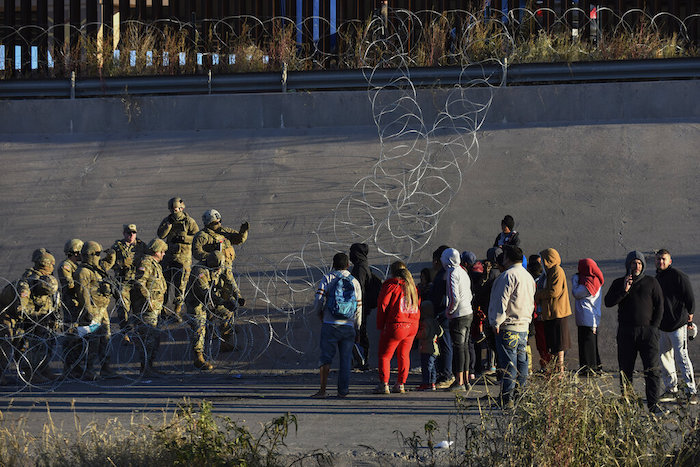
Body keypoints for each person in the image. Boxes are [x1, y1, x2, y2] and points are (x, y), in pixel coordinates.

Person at [604, 251, 664, 413]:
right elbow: (608, 302)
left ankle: (654, 405)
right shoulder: (619, 283)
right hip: (626, 333)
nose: (636, 266)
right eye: (633, 263)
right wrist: (624, 290)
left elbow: (659, 306)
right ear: (628, 265)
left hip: (648, 334)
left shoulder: (651, 282)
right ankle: (627, 405)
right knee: (625, 371)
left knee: (652, 371)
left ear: (643, 265)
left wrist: (654, 328)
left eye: (639, 263)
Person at [488, 246, 536, 408]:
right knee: (522, 362)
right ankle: (520, 394)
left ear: (507, 258)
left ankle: (506, 397)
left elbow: (501, 301)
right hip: (523, 325)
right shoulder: (528, 277)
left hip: (508, 326)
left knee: (509, 364)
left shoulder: (507, 276)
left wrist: (496, 321)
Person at [311, 253, 362, 399]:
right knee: (346, 360)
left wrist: (319, 313)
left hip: (330, 324)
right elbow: (359, 307)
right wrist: (357, 327)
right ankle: (343, 391)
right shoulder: (355, 282)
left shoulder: (328, 278)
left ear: (333, 264)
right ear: (348, 265)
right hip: (348, 326)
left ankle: (322, 390)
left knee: (326, 358)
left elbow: (319, 299)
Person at [185, 251, 245, 371]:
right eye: (216, 268)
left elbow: (229, 281)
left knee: (227, 313)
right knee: (199, 326)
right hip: (197, 302)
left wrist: (238, 295)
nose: (218, 270)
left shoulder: (221, 266)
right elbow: (206, 294)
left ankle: (225, 342)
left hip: (215, 300)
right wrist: (224, 302)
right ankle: (198, 357)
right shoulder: (200, 272)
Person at [655, 249, 697, 404]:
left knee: (682, 357)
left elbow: (690, 297)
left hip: (678, 325)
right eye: (658, 259)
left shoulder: (679, 276)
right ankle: (671, 389)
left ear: (670, 261)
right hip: (661, 326)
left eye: (664, 259)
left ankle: (691, 391)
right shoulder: (656, 278)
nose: (661, 262)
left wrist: (690, 315)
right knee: (665, 358)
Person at [375, 261, 420, 394]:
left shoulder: (392, 285)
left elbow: (383, 305)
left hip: (396, 324)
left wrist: (381, 324)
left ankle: (384, 384)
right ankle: (400, 384)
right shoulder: (412, 287)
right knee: (404, 355)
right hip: (412, 325)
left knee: (385, 355)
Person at [16, 251, 61, 383]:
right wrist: (26, 313)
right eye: (51, 264)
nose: (53, 266)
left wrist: (54, 316)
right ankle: (29, 372)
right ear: (45, 264)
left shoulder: (46, 277)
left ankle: (43, 368)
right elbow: (23, 299)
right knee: (32, 346)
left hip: (45, 316)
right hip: (33, 318)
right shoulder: (32, 279)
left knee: (46, 344)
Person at [74, 241, 116, 380]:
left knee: (106, 338)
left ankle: (106, 368)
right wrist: (88, 311)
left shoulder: (96, 268)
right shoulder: (83, 272)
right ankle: (89, 371)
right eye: (97, 254)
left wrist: (111, 254)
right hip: (92, 311)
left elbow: (108, 263)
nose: (99, 256)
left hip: (102, 310)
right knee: (93, 341)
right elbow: (83, 293)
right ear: (90, 254)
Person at [157, 197, 199, 320]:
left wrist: (184, 238)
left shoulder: (189, 222)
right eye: (173, 209)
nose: (175, 212)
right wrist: (168, 227)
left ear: (182, 208)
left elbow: (197, 237)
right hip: (168, 257)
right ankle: (163, 310)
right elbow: (160, 235)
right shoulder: (167, 220)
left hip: (183, 258)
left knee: (180, 285)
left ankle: (177, 310)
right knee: (164, 284)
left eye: (177, 209)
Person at [131, 239, 169, 377]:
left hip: (155, 308)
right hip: (147, 309)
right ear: (156, 251)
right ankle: (145, 368)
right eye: (162, 252)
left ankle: (150, 367)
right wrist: (149, 301)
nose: (164, 254)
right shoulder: (146, 263)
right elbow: (139, 283)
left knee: (154, 339)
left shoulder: (155, 264)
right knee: (148, 339)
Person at [106, 224, 147, 343]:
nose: (131, 235)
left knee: (138, 307)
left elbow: (148, 259)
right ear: (124, 233)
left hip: (137, 282)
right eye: (128, 233)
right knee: (123, 309)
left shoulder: (141, 246)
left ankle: (139, 332)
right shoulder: (117, 247)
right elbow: (110, 262)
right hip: (123, 282)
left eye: (133, 233)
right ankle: (125, 333)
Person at [535, 248, 572, 374]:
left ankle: (560, 370)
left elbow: (554, 291)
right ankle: (556, 370)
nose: (541, 263)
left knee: (559, 344)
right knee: (553, 345)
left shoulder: (557, 271)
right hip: (550, 314)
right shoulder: (548, 273)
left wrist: (538, 295)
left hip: (558, 313)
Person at [441, 248, 473, 392]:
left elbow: (454, 297)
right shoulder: (463, 272)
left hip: (458, 315)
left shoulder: (452, 273)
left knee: (458, 347)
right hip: (468, 312)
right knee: (465, 347)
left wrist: (449, 311)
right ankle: (466, 380)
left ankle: (459, 380)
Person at [572, 258, 604, 376]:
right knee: (591, 344)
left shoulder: (589, 283)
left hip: (587, 317)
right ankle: (595, 366)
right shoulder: (594, 280)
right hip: (590, 317)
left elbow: (576, 293)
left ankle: (589, 369)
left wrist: (575, 281)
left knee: (587, 345)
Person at [58, 238, 84, 377]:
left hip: (78, 305)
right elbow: (70, 285)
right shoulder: (66, 266)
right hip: (71, 307)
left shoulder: (78, 266)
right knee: (71, 337)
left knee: (79, 337)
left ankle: (77, 365)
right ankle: (69, 367)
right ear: (75, 252)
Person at [430, 245, 454, 389]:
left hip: (442, 314)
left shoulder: (443, 275)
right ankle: (444, 373)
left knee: (445, 344)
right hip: (444, 313)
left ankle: (446, 375)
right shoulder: (451, 273)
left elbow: (439, 297)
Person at [349, 243, 375, 370]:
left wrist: (357, 306)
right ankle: (361, 360)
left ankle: (362, 360)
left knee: (360, 332)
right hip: (363, 306)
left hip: (360, 306)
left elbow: (359, 290)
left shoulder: (360, 268)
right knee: (360, 332)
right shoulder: (363, 265)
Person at [527, 254, 551, 371]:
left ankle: (544, 365)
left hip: (537, 315)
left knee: (541, 342)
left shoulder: (533, 281)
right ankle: (545, 364)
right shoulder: (542, 279)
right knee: (544, 342)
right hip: (540, 315)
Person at [416, 301, 442, 391]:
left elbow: (424, 334)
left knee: (426, 367)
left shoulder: (425, 322)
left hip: (426, 348)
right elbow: (440, 332)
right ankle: (433, 382)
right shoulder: (434, 321)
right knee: (433, 366)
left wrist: (417, 334)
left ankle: (426, 383)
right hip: (434, 348)